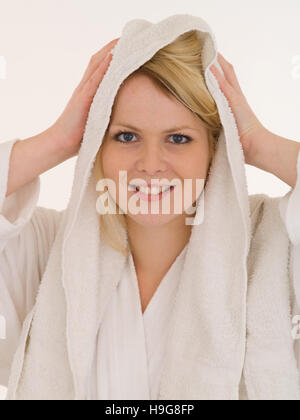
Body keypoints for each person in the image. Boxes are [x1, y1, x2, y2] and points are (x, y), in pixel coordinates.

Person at [0, 14, 300, 400]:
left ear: (214, 149)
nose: (151, 163)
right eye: (126, 136)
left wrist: (256, 142)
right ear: (97, 145)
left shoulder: (270, 250)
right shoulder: (45, 252)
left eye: (178, 138)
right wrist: (58, 139)